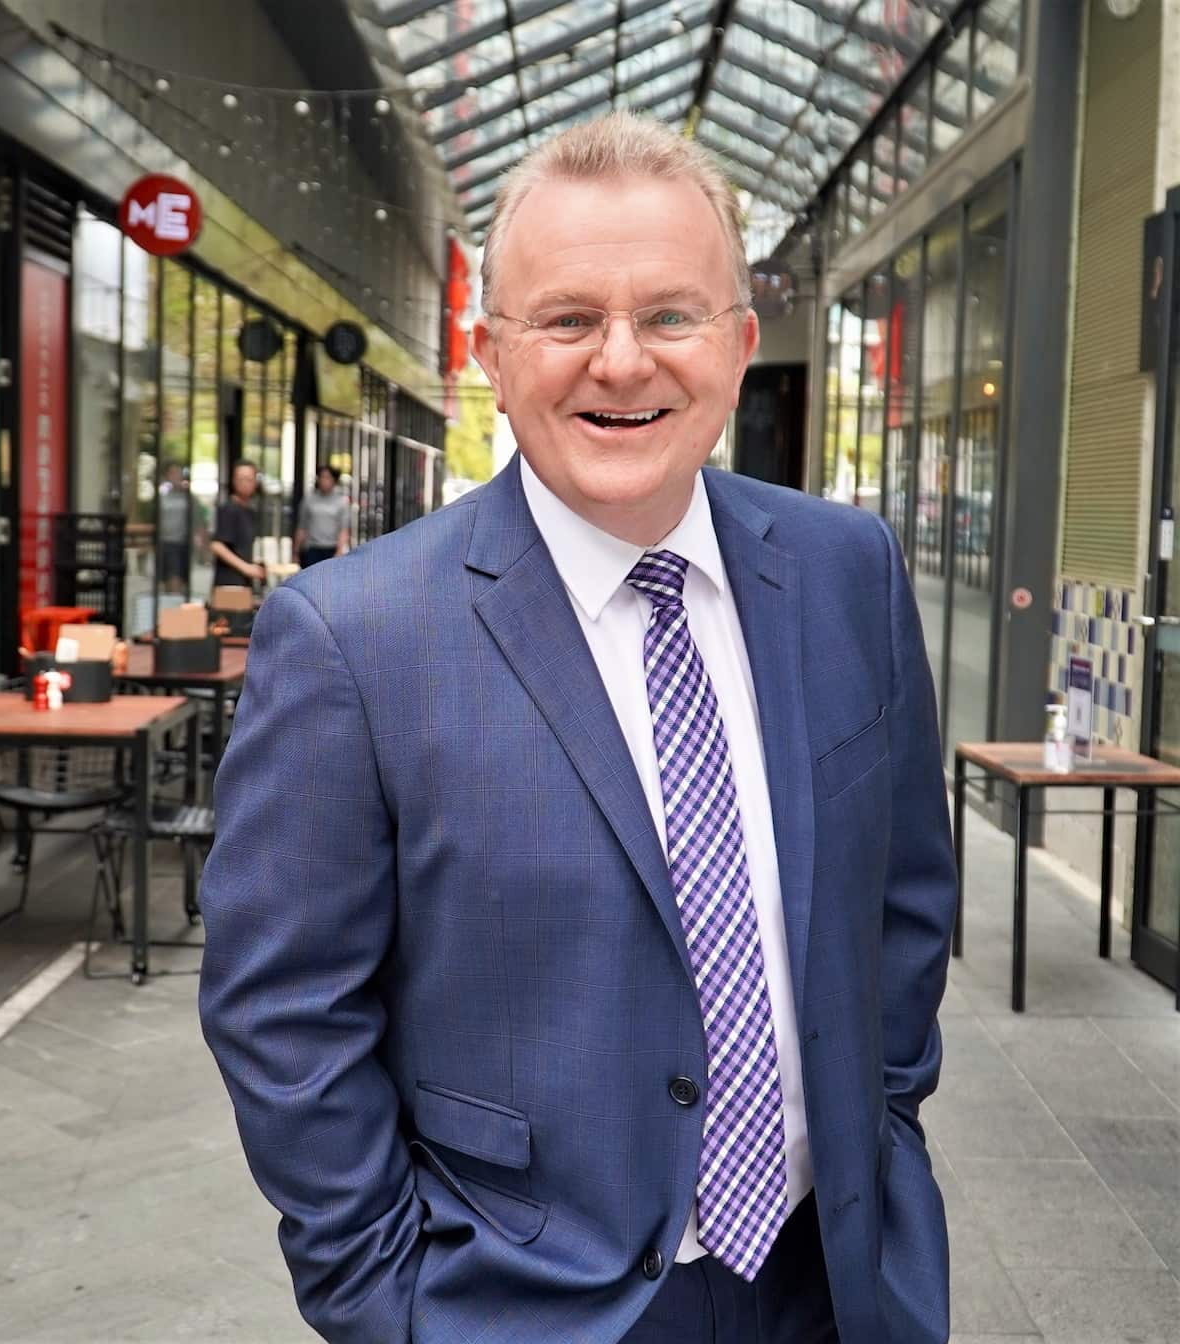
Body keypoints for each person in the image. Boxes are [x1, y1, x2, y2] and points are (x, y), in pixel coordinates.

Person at [200, 112, 956, 1344]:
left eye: (669, 315)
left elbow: (904, 906)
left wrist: (888, 1137)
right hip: (521, 1307)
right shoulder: (353, 637)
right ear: (493, 353)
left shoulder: (846, 573)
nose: (620, 362)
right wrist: (390, 1308)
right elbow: (284, 1016)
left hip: (838, 1284)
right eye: (566, 320)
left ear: (738, 344)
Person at [208, 458, 264, 590]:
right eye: (241, 479)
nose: (245, 483)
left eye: (249, 479)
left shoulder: (249, 511)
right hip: (229, 582)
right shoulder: (229, 509)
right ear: (234, 481)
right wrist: (247, 568)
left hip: (244, 582)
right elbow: (217, 545)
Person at [294, 462, 350, 568]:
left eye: (328, 477)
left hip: (331, 548)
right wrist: (296, 551)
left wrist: (339, 551)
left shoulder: (341, 502)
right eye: (322, 477)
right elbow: (302, 527)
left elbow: (344, 529)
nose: (324, 481)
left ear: (334, 480)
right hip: (312, 548)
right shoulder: (309, 500)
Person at [157, 462, 191, 594]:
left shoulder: (187, 497)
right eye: (173, 473)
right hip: (167, 543)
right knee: (171, 578)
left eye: (178, 473)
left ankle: (178, 608)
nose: (176, 476)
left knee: (181, 579)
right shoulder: (163, 496)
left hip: (184, 543)